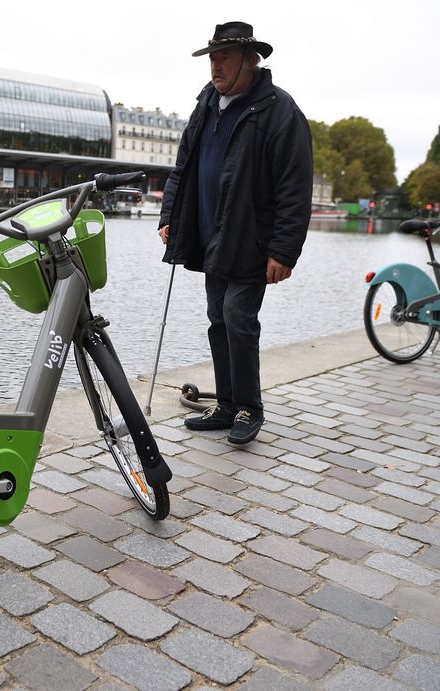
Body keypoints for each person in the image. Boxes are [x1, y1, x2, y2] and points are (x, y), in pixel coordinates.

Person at [159, 21, 312, 444]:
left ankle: (249, 408)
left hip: (252, 239)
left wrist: (284, 250)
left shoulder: (280, 110)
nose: (215, 66)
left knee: (239, 319)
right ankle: (226, 405)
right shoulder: (206, 103)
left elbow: (295, 187)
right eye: (212, 57)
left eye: (223, 57)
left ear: (250, 60)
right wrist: (169, 215)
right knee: (217, 319)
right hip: (211, 237)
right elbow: (183, 166)